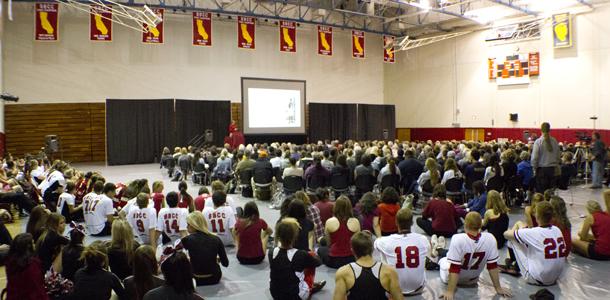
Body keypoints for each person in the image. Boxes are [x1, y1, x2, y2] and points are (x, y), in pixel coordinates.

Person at [439, 212, 511, 300]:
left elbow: (454, 268)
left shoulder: (457, 238)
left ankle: (438, 249)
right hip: (472, 280)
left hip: (453, 279)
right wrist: (498, 288)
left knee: (444, 259)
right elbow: (492, 266)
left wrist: (450, 291)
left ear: (465, 224)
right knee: (454, 255)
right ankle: (439, 249)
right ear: (481, 224)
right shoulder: (490, 238)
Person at [501, 201, 567, 285]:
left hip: (537, 279)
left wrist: (517, 231)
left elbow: (506, 234)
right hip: (555, 278)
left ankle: (512, 264)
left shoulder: (534, 232)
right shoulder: (557, 229)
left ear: (537, 216)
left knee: (513, 239)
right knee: (528, 242)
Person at [333, 231, 404, 300]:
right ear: (372, 249)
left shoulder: (343, 272)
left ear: (353, 251)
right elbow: (399, 298)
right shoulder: (389, 271)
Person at [374, 208, 430, 296]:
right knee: (424, 256)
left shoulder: (385, 241)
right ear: (412, 223)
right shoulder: (423, 239)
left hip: (393, 290)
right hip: (418, 288)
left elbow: (376, 243)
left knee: (383, 254)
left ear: (396, 222)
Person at [269, 218, 325, 300]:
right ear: (295, 236)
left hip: (275, 294)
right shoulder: (301, 254)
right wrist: (310, 251)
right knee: (311, 256)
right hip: (295, 297)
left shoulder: (271, 252)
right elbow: (319, 262)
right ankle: (310, 286)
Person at [181, 211, 229, 286]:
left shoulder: (186, 240)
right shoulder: (216, 239)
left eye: (188, 224)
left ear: (194, 225)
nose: (186, 227)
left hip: (195, 279)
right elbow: (225, 263)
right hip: (214, 278)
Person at [318, 196, 360, 269]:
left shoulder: (329, 222)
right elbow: (357, 244)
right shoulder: (356, 221)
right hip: (351, 260)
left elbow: (328, 243)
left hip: (334, 260)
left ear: (336, 207)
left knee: (321, 249)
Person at [5, 233, 49, 300]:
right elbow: (37, 289)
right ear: (28, 247)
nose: (34, 245)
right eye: (33, 243)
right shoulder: (32, 265)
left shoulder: (10, 262)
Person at [531, 122, 561, 192]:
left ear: (541, 130)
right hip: (552, 170)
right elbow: (558, 156)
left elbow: (535, 158)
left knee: (541, 193)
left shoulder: (538, 142)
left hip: (542, 171)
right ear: (549, 130)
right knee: (550, 193)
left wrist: (534, 168)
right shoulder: (554, 141)